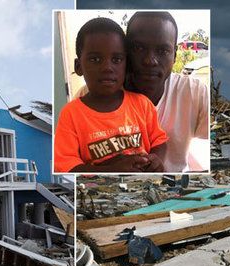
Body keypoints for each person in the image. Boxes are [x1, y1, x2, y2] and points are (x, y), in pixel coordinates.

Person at [78, 12, 210, 172]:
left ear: (174, 55)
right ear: (125, 51)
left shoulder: (195, 93)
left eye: (162, 51)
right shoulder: (90, 98)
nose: (150, 60)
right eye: (139, 48)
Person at [54, 17, 168, 173]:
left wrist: (156, 158)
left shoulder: (142, 104)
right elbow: (68, 167)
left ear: (126, 64)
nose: (107, 67)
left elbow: (159, 141)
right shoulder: (71, 114)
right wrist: (111, 169)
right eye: (95, 59)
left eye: (117, 59)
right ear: (78, 66)